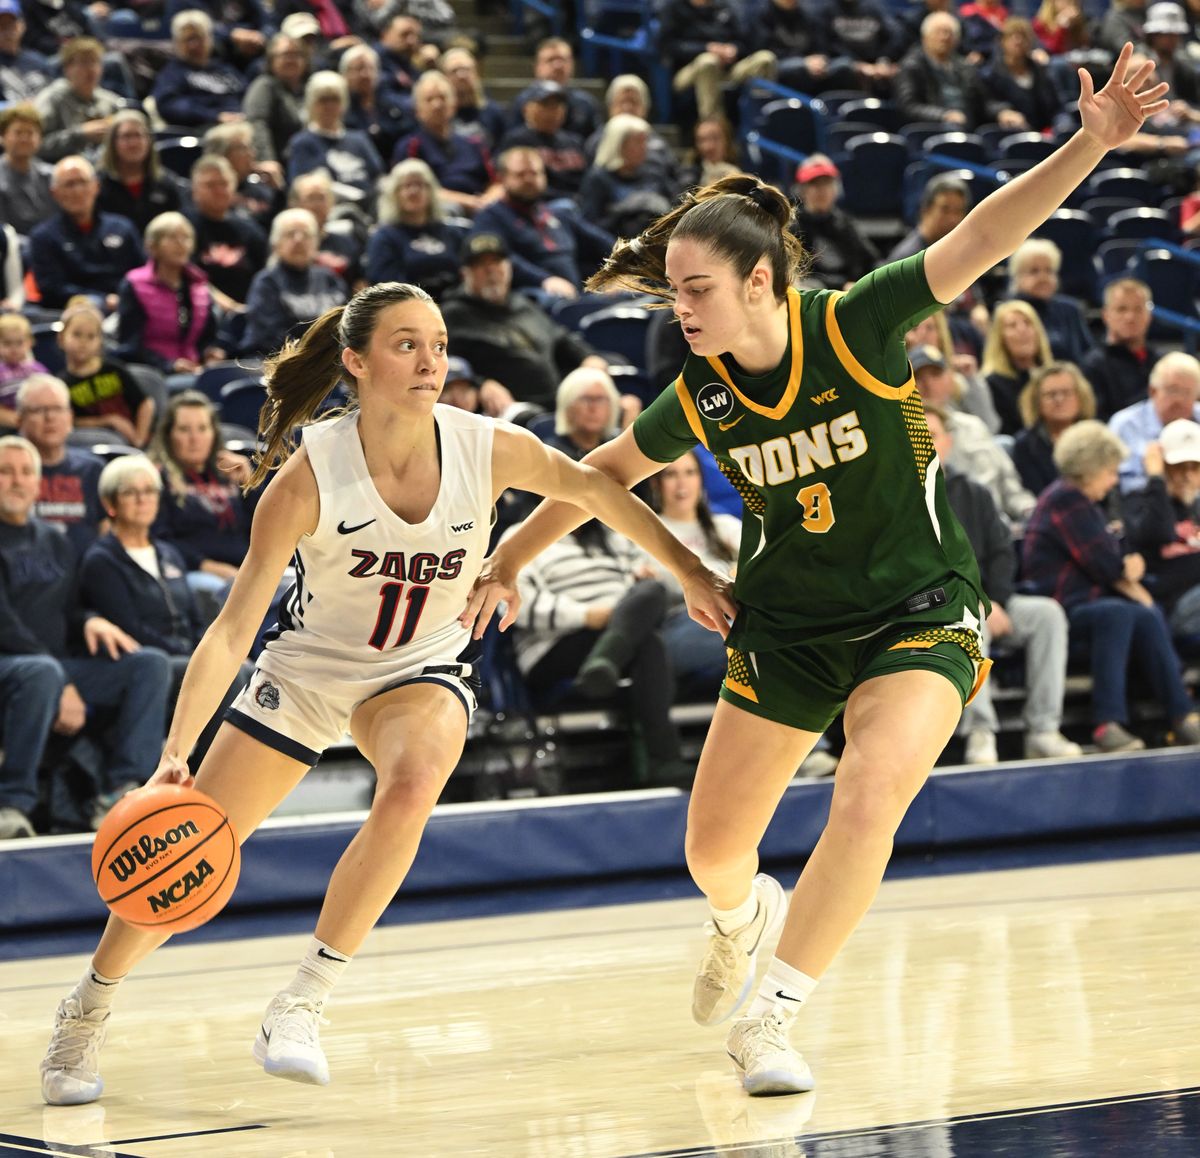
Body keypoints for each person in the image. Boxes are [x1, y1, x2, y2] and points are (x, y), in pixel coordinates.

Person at [460, 48, 1170, 1096]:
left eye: (695, 289)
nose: (680, 309)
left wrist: (1091, 142)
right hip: (786, 621)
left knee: (872, 789)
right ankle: (745, 920)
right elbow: (598, 474)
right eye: (671, 293)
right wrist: (510, 558)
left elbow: (980, 235)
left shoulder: (856, 322)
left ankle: (774, 1015)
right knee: (711, 854)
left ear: (759, 281)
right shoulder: (701, 390)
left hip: (918, 608)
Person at [37, 279, 733, 1105]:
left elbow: (594, 490)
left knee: (412, 784)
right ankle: (89, 1006)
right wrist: (175, 754)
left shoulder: (487, 445)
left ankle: (303, 1001)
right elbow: (230, 631)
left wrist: (687, 568)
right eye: (407, 344)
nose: (430, 360)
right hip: (305, 675)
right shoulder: (308, 478)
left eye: (438, 343)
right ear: (356, 363)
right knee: (184, 858)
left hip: (420, 667)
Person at [0, 435, 170, 840]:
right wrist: (63, 681)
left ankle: (122, 792)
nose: (17, 481)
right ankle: (12, 804)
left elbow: (72, 607)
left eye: (25, 472)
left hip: (51, 665)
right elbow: (5, 625)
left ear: (39, 483)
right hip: (14, 664)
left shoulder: (55, 539)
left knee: (149, 663)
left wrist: (91, 620)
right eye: (5, 472)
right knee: (40, 673)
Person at [1022, 418, 1200, 751]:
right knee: (1119, 612)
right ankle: (1107, 724)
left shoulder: (1084, 503)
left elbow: (1118, 557)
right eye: (1110, 471)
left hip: (1089, 602)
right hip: (1060, 608)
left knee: (1142, 614)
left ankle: (1182, 713)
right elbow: (1108, 565)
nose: (1114, 480)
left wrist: (1126, 569)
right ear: (1091, 468)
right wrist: (1125, 569)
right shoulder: (1066, 500)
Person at [925, 402, 1082, 764]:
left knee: (1048, 615)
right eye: (919, 435)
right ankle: (981, 732)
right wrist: (979, 601)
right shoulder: (898, 495)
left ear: (947, 442)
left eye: (932, 435)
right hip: (937, 605)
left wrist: (995, 598)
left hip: (990, 600)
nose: (926, 443)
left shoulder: (975, 491)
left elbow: (1001, 552)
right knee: (970, 620)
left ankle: (1043, 729)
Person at [81, 453, 252, 771]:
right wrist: (195, 657)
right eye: (131, 492)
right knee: (220, 676)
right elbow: (130, 627)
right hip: (146, 658)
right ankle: (203, 772)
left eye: (149, 491)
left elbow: (196, 618)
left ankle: (216, 772)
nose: (142, 499)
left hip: (183, 656)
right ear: (110, 503)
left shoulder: (169, 553)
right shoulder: (101, 560)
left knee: (243, 670)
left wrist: (210, 650)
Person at [116, 213, 224, 384]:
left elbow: (207, 337)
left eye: (186, 237)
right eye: (172, 237)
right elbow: (130, 345)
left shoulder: (200, 285)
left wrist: (210, 352)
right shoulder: (134, 284)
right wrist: (169, 365)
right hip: (153, 373)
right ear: (152, 246)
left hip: (194, 369)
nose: (181, 244)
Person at [29, 156, 144, 313]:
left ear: (96, 186)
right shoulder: (43, 237)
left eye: (82, 182)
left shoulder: (122, 227)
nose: (77, 191)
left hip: (126, 309)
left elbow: (142, 273)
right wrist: (102, 300)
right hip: (72, 315)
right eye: (69, 184)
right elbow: (51, 289)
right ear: (54, 193)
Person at [1122, 416, 1200, 637]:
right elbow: (1160, 533)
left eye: (1195, 467)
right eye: (1178, 467)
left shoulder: (1197, 505)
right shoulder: (1138, 501)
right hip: (1172, 607)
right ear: (1163, 465)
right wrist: (1155, 479)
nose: (1187, 475)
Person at [241, 208, 348, 357]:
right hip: (274, 365)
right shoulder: (266, 282)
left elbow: (344, 327)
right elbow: (271, 338)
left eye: (306, 234)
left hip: (326, 364)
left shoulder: (330, 280)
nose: (298, 240)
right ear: (275, 244)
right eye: (290, 234)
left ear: (317, 243)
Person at [17, 375, 106, 553]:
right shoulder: (7, 471)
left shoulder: (93, 469)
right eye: (38, 410)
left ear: (70, 417)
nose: (50, 417)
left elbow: (107, 533)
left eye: (57, 408)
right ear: (20, 420)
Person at [364, 158, 468, 300]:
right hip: (409, 308)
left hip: (456, 305)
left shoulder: (452, 233)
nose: (414, 191)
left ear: (431, 191)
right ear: (395, 193)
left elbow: (467, 273)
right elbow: (385, 285)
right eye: (406, 186)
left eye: (420, 184)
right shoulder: (384, 237)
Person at [59, 297, 155, 448]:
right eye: (77, 334)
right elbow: (70, 420)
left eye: (91, 336)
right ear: (61, 338)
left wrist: (139, 440)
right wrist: (109, 421)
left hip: (135, 441)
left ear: (100, 342)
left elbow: (146, 404)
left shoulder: (113, 369)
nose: (83, 342)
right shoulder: (62, 384)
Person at [1110, 349, 1200, 492]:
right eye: (1172, 390)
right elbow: (1122, 487)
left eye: (1187, 392)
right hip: (1146, 507)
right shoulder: (1125, 424)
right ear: (1153, 391)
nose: (1179, 400)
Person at [789, 155, 880, 292]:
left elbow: (871, 259)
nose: (822, 190)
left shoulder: (844, 221)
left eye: (826, 183)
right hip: (818, 295)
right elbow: (799, 274)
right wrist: (841, 286)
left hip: (853, 289)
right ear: (802, 190)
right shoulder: (794, 227)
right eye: (814, 184)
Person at [1004, 237, 1095, 366]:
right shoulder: (1009, 312)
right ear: (1017, 277)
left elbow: (1087, 354)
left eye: (1049, 270)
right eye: (1034, 271)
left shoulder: (1071, 309)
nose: (1043, 278)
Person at [1079, 277, 1160, 420]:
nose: (1130, 317)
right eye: (1121, 309)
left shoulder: (1162, 363)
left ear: (1149, 315)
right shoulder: (1093, 366)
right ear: (1106, 315)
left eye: (1138, 309)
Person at [1011, 360, 1097, 495]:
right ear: (1037, 401)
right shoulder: (1025, 445)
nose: (1059, 400)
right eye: (1051, 395)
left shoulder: (1096, 438)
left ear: (1081, 396)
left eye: (1067, 392)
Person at [34, 37, 123, 164]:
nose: (91, 69)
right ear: (67, 69)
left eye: (95, 62)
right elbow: (36, 146)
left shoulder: (110, 101)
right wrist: (80, 134)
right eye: (84, 63)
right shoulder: (51, 99)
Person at [96, 111, 184, 236]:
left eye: (138, 135)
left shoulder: (166, 183)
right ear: (112, 143)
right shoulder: (98, 185)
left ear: (149, 141)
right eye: (126, 136)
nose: (133, 143)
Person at [979, 298, 1054, 435]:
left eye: (1028, 323)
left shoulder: (1054, 376)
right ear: (1000, 338)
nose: (1022, 330)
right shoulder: (991, 383)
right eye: (1012, 325)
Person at [0, 103, 55, 240]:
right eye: (18, 132)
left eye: (30, 133)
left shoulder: (51, 175)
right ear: (2, 137)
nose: (24, 139)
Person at [0, 313, 49, 430]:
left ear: (30, 342)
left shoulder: (38, 370)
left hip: (34, 422)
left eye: (19, 343)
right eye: (7, 343)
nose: (14, 348)